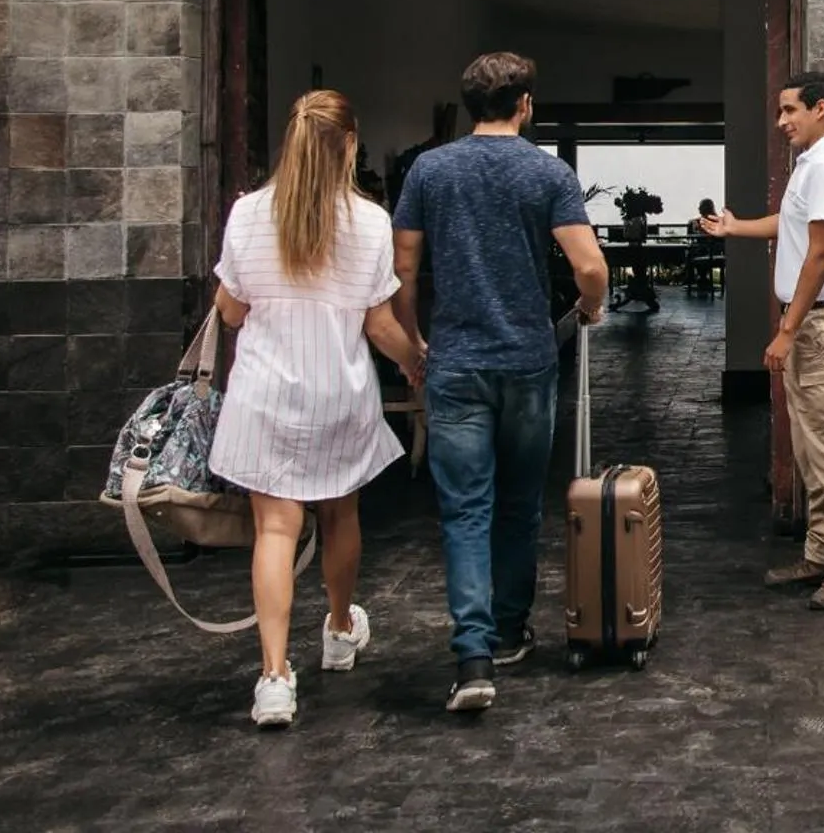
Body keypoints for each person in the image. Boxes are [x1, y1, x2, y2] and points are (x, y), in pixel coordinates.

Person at [392, 53, 610, 712]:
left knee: (464, 509)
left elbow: (401, 268)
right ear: (524, 105)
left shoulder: (429, 169)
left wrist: (413, 340)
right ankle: (512, 630)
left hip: (456, 362)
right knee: (519, 504)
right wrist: (589, 309)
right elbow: (590, 266)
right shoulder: (547, 171)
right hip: (527, 360)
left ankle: (473, 656)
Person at [207, 91, 427, 729]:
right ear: (351, 146)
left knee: (275, 531)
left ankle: (274, 679)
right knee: (340, 516)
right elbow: (378, 325)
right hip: (337, 392)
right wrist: (416, 359)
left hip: (266, 394)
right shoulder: (368, 222)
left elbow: (229, 311)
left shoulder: (248, 214)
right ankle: (337, 630)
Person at [714, 70, 824, 610]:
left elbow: (822, 252)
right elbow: (793, 223)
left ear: (819, 108)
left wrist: (786, 330)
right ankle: (823, 554)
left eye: (790, 111)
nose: (782, 121)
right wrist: (736, 228)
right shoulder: (814, 164)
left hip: (823, 323)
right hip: (814, 321)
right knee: (811, 447)